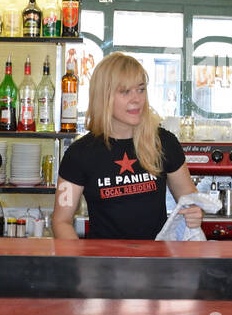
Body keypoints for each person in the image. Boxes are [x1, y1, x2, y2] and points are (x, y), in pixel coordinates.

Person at [53, 53, 203, 240]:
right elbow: (61, 221)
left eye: (141, 90)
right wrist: (81, 264)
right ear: (103, 96)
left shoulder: (164, 143)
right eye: (125, 91)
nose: (136, 99)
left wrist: (195, 213)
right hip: (103, 264)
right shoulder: (79, 153)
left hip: (156, 263)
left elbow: (190, 202)